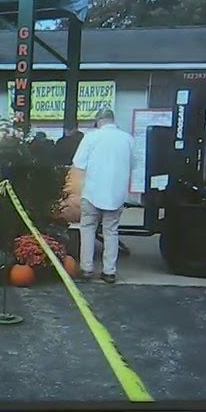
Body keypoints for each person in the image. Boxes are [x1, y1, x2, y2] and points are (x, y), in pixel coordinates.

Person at [70, 108, 137, 283]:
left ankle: (86, 269)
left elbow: (78, 163)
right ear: (113, 120)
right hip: (116, 194)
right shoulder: (127, 139)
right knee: (111, 231)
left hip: (92, 192)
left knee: (88, 229)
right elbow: (134, 164)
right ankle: (109, 272)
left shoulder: (91, 137)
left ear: (98, 121)